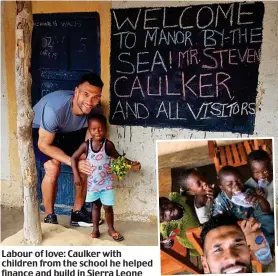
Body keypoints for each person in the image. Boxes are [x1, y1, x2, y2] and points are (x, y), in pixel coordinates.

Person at [32, 73, 104, 226]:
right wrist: (72, 162)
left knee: (86, 163)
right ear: (76, 91)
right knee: (53, 167)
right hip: (42, 133)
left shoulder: (96, 111)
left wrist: (83, 158)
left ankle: (78, 213)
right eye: (86, 94)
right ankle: (50, 216)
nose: (90, 101)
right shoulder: (55, 108)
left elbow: (89, 143)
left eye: (96, 97)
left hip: (68, 133)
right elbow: (43, 145)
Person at [71, 113, 141, 241]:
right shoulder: (86, 145)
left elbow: (119, 157)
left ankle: (111, 229)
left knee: (108, 207)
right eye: (93, 129)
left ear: (105, 129)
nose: (97, 131)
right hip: (93, 185)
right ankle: (95, 229)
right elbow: (73, 158)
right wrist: (76, 175)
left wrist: (131, 163)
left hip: (106, 184)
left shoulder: (108, 145)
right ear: (89, 130)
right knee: (95, 207)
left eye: (100, 129)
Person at [213, 165, 274, 245]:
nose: (237, 186)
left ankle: (266, 238)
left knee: (269, 219)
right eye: (229, 184)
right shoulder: (221, 202)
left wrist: (259, 199)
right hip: (235, 228)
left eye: (239, 181)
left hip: (253, 221)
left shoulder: (248, 191)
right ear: (222, 188)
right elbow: (218, 223)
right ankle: (265, 240)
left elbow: (265, 211)